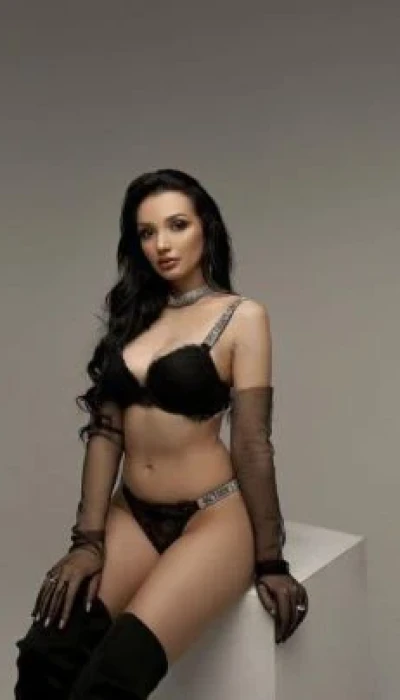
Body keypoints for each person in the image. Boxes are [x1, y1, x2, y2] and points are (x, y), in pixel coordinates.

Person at [14, 168, 309, 699]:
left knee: (114, 677)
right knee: (45, 656)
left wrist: (271, 560)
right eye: (147, 232)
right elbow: (106, 433)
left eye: (177, 225)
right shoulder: (132, 315)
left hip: (210, 518)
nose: (162, 245)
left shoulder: (242, 317)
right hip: (132, 514)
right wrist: (87, 542)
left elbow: (251, 444)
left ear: (206, 228)